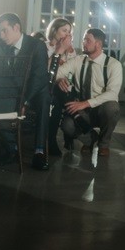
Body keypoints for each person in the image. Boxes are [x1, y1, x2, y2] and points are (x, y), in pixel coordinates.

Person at [0, 12, 51, 170]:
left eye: (5, 30)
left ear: (16, 27)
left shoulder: (36, 45)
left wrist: (24, 100)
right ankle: (12, 147)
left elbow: (39, 77)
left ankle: (39, 151)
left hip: (35, 91)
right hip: (14, 90)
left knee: (45, 99)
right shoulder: (1, 45)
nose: (2, 35)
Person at [56, 28, 123, 155]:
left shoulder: (114, 65)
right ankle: (90, 140)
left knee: (112, 107)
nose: (83, 43)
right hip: (82, 111)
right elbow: (56, 74)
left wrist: (86, 103)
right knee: (66, 125)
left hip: (101, 108)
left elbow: (112, 93)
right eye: (83, 40)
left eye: (87, 40)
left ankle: (104, 143)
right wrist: (59, 79)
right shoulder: (78, 60)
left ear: (98, 44)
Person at [46, 17, 77, 155]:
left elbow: (72, 74)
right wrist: (59, 50)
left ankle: (66, 134)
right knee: (59, 97)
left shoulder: (70, 51)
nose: (67, 35)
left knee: (66, 92)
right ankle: (52, 139)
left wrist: (69, 53)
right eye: (64, 30)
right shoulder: (44, 46)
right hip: (47, 87)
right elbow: (46, 71)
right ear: (54, 30)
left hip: (65, 89)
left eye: (69, 32)